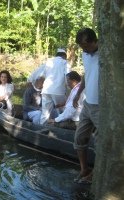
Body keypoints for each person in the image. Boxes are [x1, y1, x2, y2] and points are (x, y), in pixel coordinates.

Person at [72, 28, 99, 184]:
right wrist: (77, 94)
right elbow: (86, 75)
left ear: (95, 41)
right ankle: (84, 169)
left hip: (101, 106)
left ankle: (96, 173)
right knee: (79, 138)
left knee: (101, 142)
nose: (85, 50)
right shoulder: (85, 54)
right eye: (82, 47)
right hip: (88, 103)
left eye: (86, 46)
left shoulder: (107, 54)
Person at [39, 48, 71, 124]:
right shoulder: (65, 62)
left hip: (46, 90)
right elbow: (68, 76)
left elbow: (42, 76)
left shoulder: (48, 61)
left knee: (45, 112)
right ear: (64, 56)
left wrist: (40, 86)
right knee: (62, 111)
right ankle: (62, 128)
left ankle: (41, 126)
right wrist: (70, 89)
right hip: (58, 90)